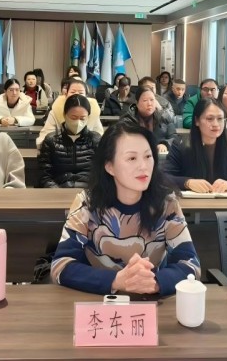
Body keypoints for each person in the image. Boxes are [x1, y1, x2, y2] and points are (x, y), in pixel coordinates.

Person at [51, 119, 201, 295]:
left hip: (149, 301)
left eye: (148, 156)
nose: (143, 166)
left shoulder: (166, 203)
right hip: (100, 301)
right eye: (132, 158)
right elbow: (61, 265)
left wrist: (156, 282)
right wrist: (116, 280)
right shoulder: (87, 203)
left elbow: (191, 264)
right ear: (110, 166)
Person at [163, 98, 227, 192]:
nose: (216, 124)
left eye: (220, 119)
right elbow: (163, 178)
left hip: (224, 201)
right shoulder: (181, 146)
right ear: (197, 121)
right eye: (210, 119)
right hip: (193, 201)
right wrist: (187, 182)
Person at [39, 94, 101, 188]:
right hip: (59, 190)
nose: (78, 122)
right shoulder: (51, 141)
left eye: (82, 118)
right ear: (64, 115)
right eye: (73, 118)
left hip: (88, 190)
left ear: (88, 117)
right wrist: (56, 192)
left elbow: (102, 173)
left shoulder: (95, 140)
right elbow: (45, 175)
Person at [36, 78, 104, 148]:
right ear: (66, 94)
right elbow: (45, 136)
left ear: (86, 96)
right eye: (73, 92)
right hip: (60, 149)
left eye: (81, 93)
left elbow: (99, 135)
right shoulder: (56, 110)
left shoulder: (94, 111)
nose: (76, 94)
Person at [126, 87, 176, 153]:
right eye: (145, 100)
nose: (149, 104)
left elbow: (174, 138)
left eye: (152, 100)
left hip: (160, 157)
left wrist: (165, 144)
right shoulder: (128, 120)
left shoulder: (164, 117)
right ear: (137, 103)